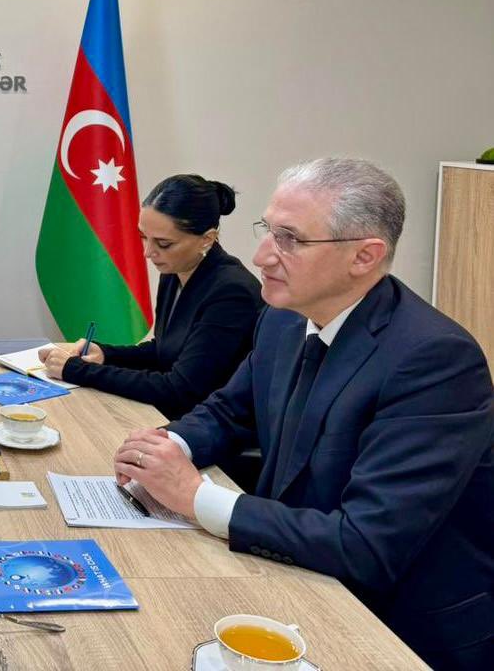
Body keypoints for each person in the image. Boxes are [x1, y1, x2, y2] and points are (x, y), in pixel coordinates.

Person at [113, 159, 494, 670]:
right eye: (269, 230)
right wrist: (166, 447)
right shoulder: (282, 319)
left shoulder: (435, 360)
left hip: (396, 631)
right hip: (292, 580)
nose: (262, 255)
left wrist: (195, 496)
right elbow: (229, 411)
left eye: (290, 239)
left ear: (364, 256)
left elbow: (365, 544)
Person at [39, 174, 263, 418]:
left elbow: (179, 391)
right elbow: (165, 351)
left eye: (163, 244)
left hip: (211, 427)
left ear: (206, 239)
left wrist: (77, 371)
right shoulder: (175, 269)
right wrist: (105, 354)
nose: (148, 252)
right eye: (143, 236)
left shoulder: (232, 293)